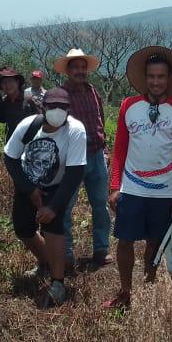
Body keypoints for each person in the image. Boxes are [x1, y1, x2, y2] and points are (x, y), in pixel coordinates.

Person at [105, 46, 172, 309]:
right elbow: (119, 149)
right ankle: (125, 292)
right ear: (145, 77)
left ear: (169, 79)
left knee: (155, 242)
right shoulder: (129, 106)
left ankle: (149, 287)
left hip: (163, 190)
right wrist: (115, 185)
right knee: (125, 241)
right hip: (131, 187)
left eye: (161, 77)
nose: (155, 82)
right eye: (151, 76)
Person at [4, 88, 87, 307]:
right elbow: (10, 157)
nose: (57, 111)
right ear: (43, 107)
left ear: (69, 109)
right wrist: (29, 189)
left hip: (56, 186)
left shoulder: (75, 130)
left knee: (54, 227)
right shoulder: (29, 125)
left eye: (63, 107)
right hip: (28, 182)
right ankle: (45, 262)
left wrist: (54, 206)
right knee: (23, 228)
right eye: (52, 107)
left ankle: (58, 282)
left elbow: (75, 172)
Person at [57, 48, 113, 270]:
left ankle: (101, 249)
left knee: (100, 204)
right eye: (75, 68)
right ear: (68, 71)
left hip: (97, 154)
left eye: (83, 68)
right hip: (73, 157)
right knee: (65, 206)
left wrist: (105, 146)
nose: (80, 71)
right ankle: (66, 252)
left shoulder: (93, 91)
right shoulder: (61, 94)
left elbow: (99, 119)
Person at [0, 65, 36, 140]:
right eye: (4, 83)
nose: (7, 85)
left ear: (17, 82)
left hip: (30, 142)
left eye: (10, 81)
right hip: (11, 142)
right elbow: (2, 120)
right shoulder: (3, 102)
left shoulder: (30, 99)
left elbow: (42, 121)